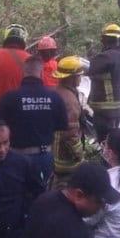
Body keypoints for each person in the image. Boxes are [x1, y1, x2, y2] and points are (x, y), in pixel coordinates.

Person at [0, 55, 68, 186]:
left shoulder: (10, 98)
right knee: (41, 197)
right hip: (44, 157)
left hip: (15, 157)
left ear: (23, 72)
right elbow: (62, 126)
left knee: (14, 195)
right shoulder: (54, 97)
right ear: (42, 72)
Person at [88, 23, 120, 142]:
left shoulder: (106, 56)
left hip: (103, 110)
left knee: (103, 142)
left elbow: (91, 68)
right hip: (116, 110)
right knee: (111, 142)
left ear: (106, 39)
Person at [51, 56, 87, 188]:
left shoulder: (57, 92)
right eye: (79, 75)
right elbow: (70, 134)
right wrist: (80, 156)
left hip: (53, 154)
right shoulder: (70, 100)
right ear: (72, 78)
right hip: (65, 160)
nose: (80, 78)